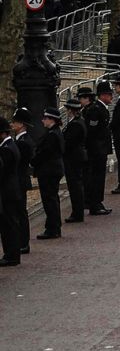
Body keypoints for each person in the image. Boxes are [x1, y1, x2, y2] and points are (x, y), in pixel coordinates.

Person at [31, 109, 65, 241]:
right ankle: (53, 226)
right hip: (52, 169)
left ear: (51, 120)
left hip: (49, 171)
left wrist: (33, 161)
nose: (42, 120)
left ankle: (52, 227)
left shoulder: (52, 135)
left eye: (45, 118)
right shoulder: (54, 133)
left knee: (49, 199)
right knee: (52, 198)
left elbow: (44, 153)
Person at [81, 83, 112, 214]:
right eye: (109, 95)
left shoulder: (100, 108)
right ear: (103, 95)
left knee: (98, 177)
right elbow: (93, 131)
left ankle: (96, 202)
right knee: (96, 177)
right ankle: (95, 203)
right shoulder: (96, 109)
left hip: (100, 149)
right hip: (96, 150)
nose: (111, 97)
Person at [0, 114, 25, 265]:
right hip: (10, 190)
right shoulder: (9, 146)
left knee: (9, 224)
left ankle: (11, 255)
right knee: (9, 224)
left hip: (8, 191)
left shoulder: (7, 149)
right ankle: (11, 253)